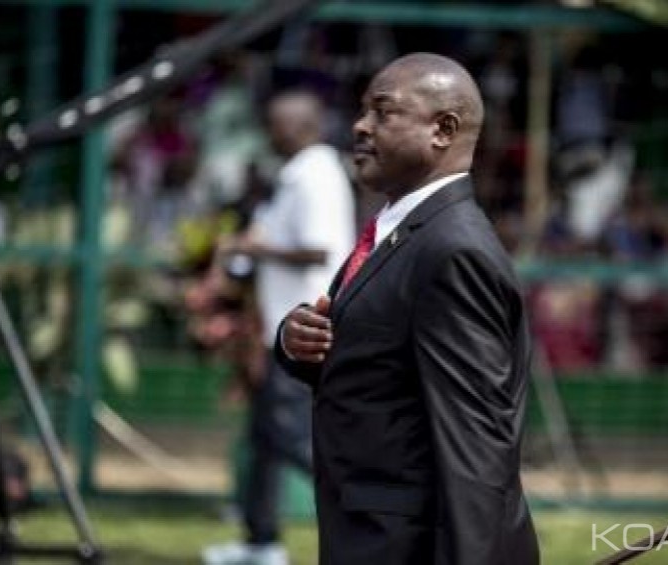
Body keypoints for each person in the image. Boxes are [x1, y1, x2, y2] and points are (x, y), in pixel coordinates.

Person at [277, 53, 539, 565]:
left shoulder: (453, 250)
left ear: (443, 130)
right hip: (365, 531)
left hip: (405, 544)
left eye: (383, 112)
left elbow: (476, 448)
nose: (360, 125)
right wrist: (295, 340)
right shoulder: (397, 231)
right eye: (362, 111)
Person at [201, 90, 355, 565]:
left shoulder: (316, 176)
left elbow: (321, 249)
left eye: (276, 123)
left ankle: (367, 505)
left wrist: (252, 249)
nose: (269, 133)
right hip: (281, 331)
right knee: (264, 439)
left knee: (287, 435)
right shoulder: (293, 176)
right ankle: (260, 542)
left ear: (302, 126)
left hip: (305, 331)